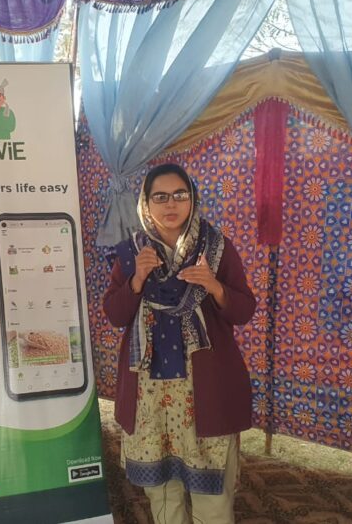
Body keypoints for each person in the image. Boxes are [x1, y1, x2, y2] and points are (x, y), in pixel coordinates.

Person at [103, 163, 255, 524]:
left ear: (192, 199)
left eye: (179, 194)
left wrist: (214, 286)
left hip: (205, 390)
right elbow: (115, 314)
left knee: (211, 494)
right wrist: (137, 279)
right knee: (162, 492)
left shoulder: (216, 248)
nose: (171, 204)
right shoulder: (132, 253)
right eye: (160, 197)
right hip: (150, 394)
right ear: (146, 203)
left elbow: (244, 310)